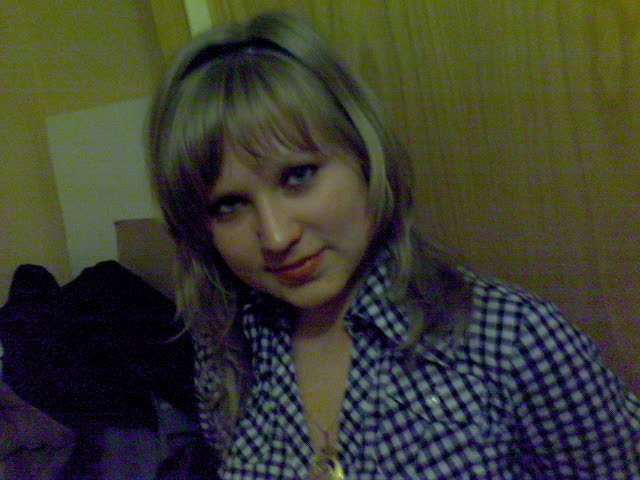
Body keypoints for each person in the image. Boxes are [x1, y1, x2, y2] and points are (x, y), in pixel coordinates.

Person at [147, 11, 640, 479]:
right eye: (229, 205)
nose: (276, 237)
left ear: (365, 157)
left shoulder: (517, 342)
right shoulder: (229, 356)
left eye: (298, 176)